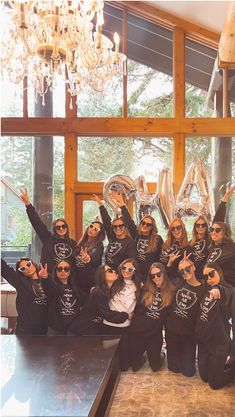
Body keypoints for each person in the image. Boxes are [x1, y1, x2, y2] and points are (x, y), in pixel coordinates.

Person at [129, 262, 175, 372]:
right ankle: (143, 354)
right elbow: (138, 309)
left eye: (158, 274)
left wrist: (170, 264)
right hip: (138, 332)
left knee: (155, 367)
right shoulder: (146, 289)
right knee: (134, 367)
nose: (156, 278)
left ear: (164, 273)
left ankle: (161, 353)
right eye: (152, 276)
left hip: (154, 334)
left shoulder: (172, 291)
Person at [195, 262, 235, 389]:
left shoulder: (229, 291)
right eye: (206, 276)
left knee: (214, 384)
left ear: (220, 272)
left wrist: (219, 290)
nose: (209, 279)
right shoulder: (205, 288)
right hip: (204, 342)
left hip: (219, 345)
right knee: (204, 377)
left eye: (211, 274)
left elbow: (225, 293)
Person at [109, 191, 163, 282]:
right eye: (143, 223)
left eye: (148, 224)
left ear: (152, 227)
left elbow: (160, 259)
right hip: (134, 275)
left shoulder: (157, 239)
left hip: (149, 276)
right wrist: (121, 202)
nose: (145, 225)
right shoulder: (136, 234)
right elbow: (128, 220)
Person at [165, 255, 205, 377]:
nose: (185, 272)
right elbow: (168, 275)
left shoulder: (204, 288)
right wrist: (170, 262)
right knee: (174, 369)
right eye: (182, 270)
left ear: (193, 267)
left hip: (189, 334)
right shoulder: (179, 282)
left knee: (188, 372)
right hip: (172, 330)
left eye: (187, 268)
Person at [20, 188, 77, 273]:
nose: (61, 228)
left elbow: (76, 263)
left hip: (67, 278)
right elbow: (37, 223)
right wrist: (28, 204)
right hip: (49, 277)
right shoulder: (48, 238)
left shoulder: (73, 244)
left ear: (66, 228)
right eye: (58, 227)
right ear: (54, 229)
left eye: (63, 226)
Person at [102, 258, 142, 371]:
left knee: (124, 365)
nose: (126, 271)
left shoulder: (139, 286)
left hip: (125, 326)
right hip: (108, 325)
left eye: (130, 269)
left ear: (135, 271)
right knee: (109, 362)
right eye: (124, 268)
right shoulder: (114, 281)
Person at [69, 265, 130, 335]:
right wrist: (127, 315)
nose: (114, 271)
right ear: (102, 275)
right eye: (110, 271)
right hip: (80, 332)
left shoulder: (104, 291)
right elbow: (107, 315)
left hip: (88, 331)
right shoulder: (99, 292)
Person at [207, 221, 235, 366]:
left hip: (231, 289)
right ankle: (225, 352)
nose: (214, 232)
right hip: (218, 290)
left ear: (225, 232)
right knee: (221, 324)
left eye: (218, 230)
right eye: (211, 229)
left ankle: (233, 357)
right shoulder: (212, 248)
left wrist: (224, 199)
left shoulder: (231, 247)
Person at [1, 257, 48, 335]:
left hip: (45, 330)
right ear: (21, 273)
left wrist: (47, 278)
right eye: (22, 269)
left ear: (32, 263)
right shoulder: (21, 283)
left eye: (28, 264)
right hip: (25, 330)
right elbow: (5, 269)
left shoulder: (47, 281)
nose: (27, 268)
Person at [92, 194, 137, 270]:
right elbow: (106, 221)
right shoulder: (112, 237)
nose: (118, 228)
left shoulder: (130, 243)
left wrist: (122, 203)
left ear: (125, 227)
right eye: (115, 226)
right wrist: (100, 204)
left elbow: (129, 263)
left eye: (120, 226)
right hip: (108, 272)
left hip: (119, 275)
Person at [44, 260, 86, 335]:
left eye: (66, 269)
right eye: (59, 269)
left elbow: (86, 304)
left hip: (74, 330)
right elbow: (49, 286)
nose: (63, 271)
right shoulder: (52, 287)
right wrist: (46, 278)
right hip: (55, 329)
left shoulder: (77, 289)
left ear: (70, 272)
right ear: (55, 272)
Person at [72, 221, 105, 293]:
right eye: (91, 226)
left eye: (96, 229)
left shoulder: (99, 245)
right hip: (77, 282)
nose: (92, 229)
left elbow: (95, 256)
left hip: (89, 283)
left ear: (99, 233)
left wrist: (88, 258)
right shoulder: (81, 243)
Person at [160, 217, 193, 282]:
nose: (176, 230)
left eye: (178, 227)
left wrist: (170, 263)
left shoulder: (187, 249)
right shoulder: (165, 244)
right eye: (173, 228)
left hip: (174, 281)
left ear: (182, 228)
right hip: (160, 278)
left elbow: (185, 274)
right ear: (170, 230)